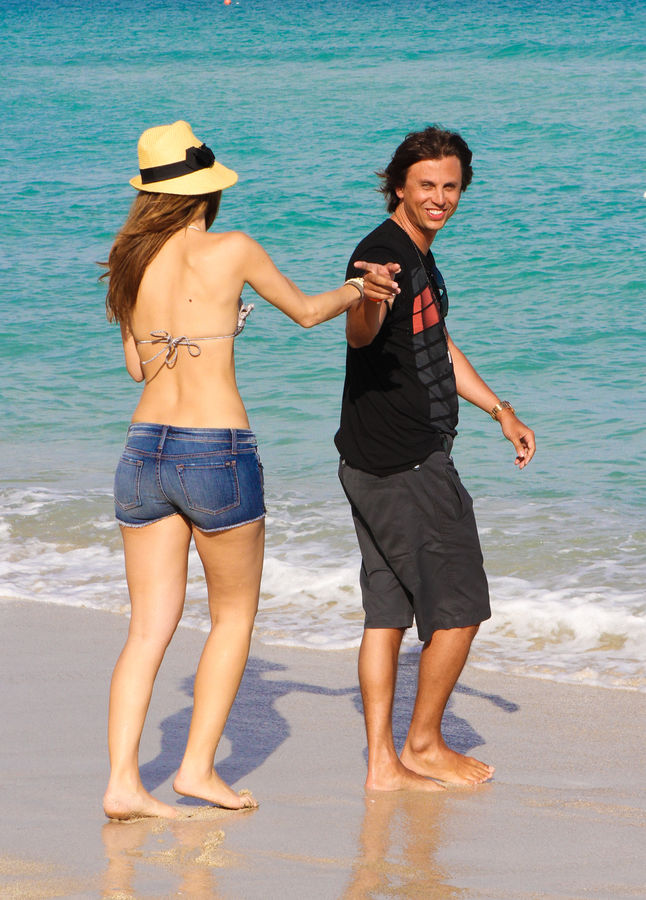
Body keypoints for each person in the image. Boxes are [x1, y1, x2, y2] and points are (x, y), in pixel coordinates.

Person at [101, 120, 399, 820]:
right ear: (207, 191)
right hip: (214, 449)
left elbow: (140, 367)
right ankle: (198, 770)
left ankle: (122, 783)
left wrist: (215, 332)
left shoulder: (128, 262)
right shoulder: (232, 248)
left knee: (146, 630)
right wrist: (360, 289)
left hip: (142, 450)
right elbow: (307, 313)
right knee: (233, 616)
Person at [335, 126, 536, 792]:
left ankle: (381, 766)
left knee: (387, 614)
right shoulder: (380, 257)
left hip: (367, 463)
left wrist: (500, 411)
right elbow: (362, 330)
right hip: (408, 465)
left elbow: (437, 343)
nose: (440, 197)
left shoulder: (417, 255)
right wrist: (367, 299)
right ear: (399, 185)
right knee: (461, 608)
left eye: (451, 186)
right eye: (426, 185)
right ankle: (422, 744)